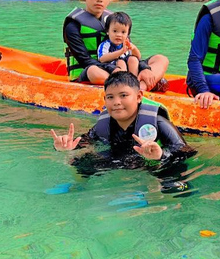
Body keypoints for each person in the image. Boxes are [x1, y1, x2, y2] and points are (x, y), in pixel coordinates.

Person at [50, 71, 196, 192]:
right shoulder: (104, 123)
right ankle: (79, 187)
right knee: (82, 161)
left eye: (123, 95)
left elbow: (185, 151)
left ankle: (154, 195)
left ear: (139, 97)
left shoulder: (157, 122)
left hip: (154, 163)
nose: (116, 102)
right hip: (125, 160)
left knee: (177, 186)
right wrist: (66, 147)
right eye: (110, 97)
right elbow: (87, 140)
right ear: (105, 100)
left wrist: (161, 155)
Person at [62, 0, 168, 91]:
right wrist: (113, 69)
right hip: (91, 71)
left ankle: (140, 88)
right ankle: (137, 84)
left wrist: (145, 68)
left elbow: (128, 52)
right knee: (94, 71)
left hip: (119, 68)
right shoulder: (72, 26)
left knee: (161, 59)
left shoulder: (115, 21)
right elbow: (85, 61)